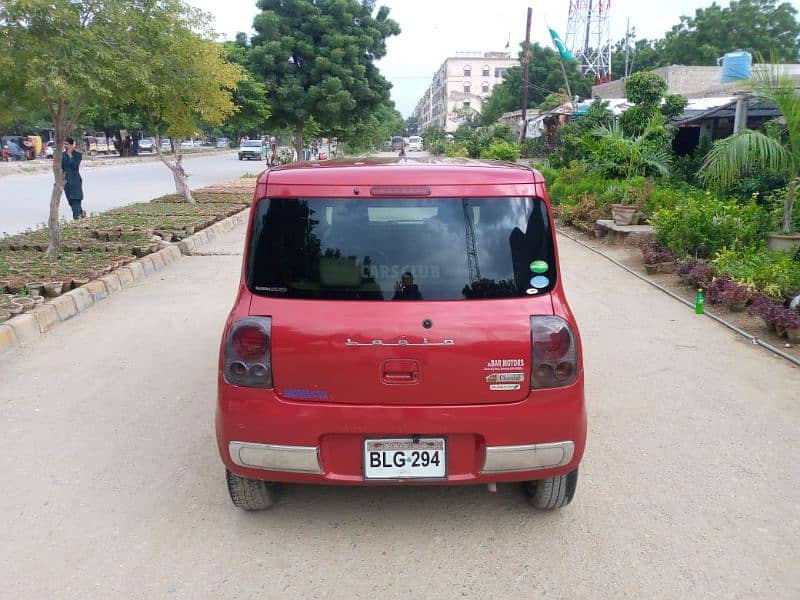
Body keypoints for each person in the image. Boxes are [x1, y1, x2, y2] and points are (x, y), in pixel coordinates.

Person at [62, 136, 84, 219]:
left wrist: (70, 155)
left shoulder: (77, 155)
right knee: (71, 201)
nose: (65, 146)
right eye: (64, 144)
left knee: (76, 199)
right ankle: (80, 216)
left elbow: (75, 166)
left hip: (75, 181)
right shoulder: (62, 155)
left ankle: (77, 218)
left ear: (71, 145)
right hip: (66, 182)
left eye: (67, 144)